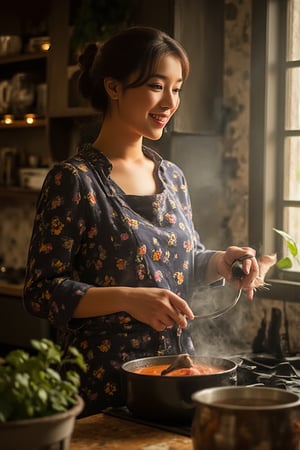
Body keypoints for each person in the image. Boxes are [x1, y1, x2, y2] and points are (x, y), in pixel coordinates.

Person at [23, 26, 261, 417]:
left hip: (176, 378)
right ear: (114, 88)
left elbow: (182, 260)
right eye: (156, 86)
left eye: (178, 88)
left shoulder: (172, 177)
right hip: (100, 388)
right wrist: (126, 299)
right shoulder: (74, 180)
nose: (170, 101)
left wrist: (220, 261)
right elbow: (40, 291)